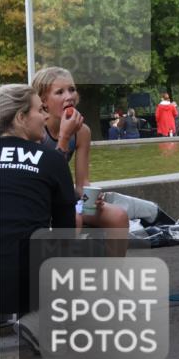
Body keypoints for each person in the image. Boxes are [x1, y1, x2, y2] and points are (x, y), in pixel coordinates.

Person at [31, 67, 129, 254]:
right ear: (43, 102)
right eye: (59, 92)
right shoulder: (36, 131)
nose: (69, 97)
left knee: (118, 216)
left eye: (72, 89)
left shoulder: (82, 131)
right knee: (73, 220)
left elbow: (82, 183)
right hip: (40, 199)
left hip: (65, 199)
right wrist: (64, 136)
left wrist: (91, 198)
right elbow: (43, 178)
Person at [0, 84, 77, 317]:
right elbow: (65, 232)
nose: (46, 116)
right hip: (26, 289)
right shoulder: (52, 159)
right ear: (21, 118)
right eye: (40, 110)